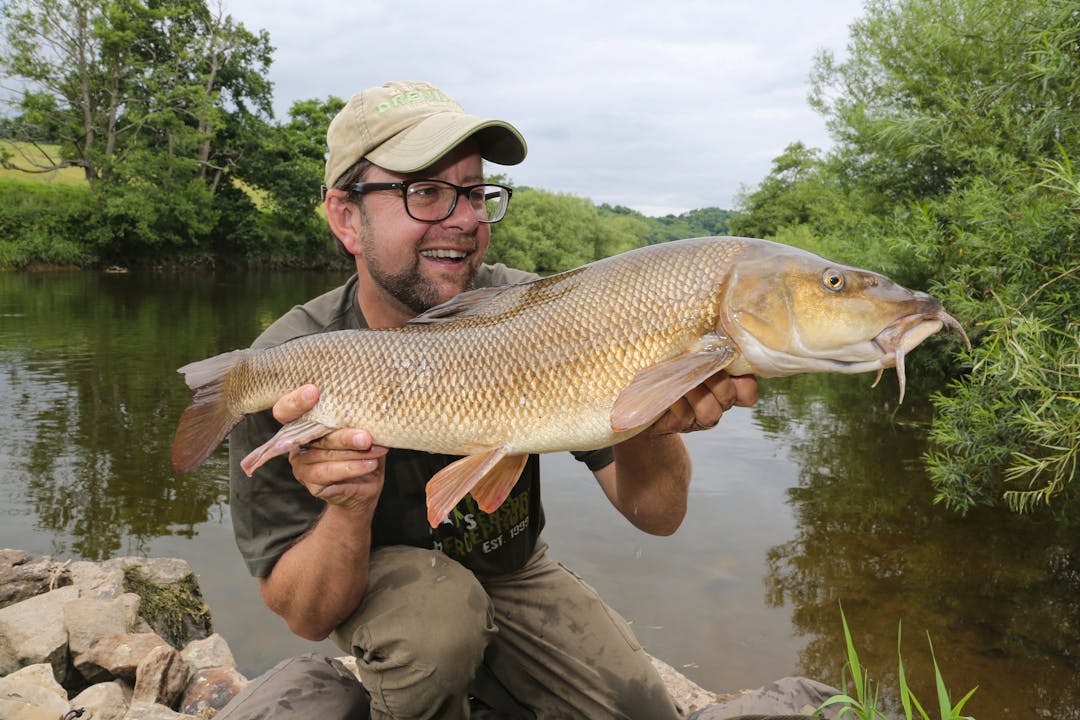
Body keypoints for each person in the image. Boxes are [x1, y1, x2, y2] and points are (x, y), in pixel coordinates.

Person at [220, 80, 759, 720]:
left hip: (512, 569)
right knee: (439, 623)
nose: (466, 219)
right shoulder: (286, 366)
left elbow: (657, 515)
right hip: (388, 588)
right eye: (426, 193)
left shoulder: (543, 312)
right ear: (346, 218)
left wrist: (653, 415)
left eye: (476, 193)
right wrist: (347, 508)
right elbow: (306, 614)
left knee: (639, 710)